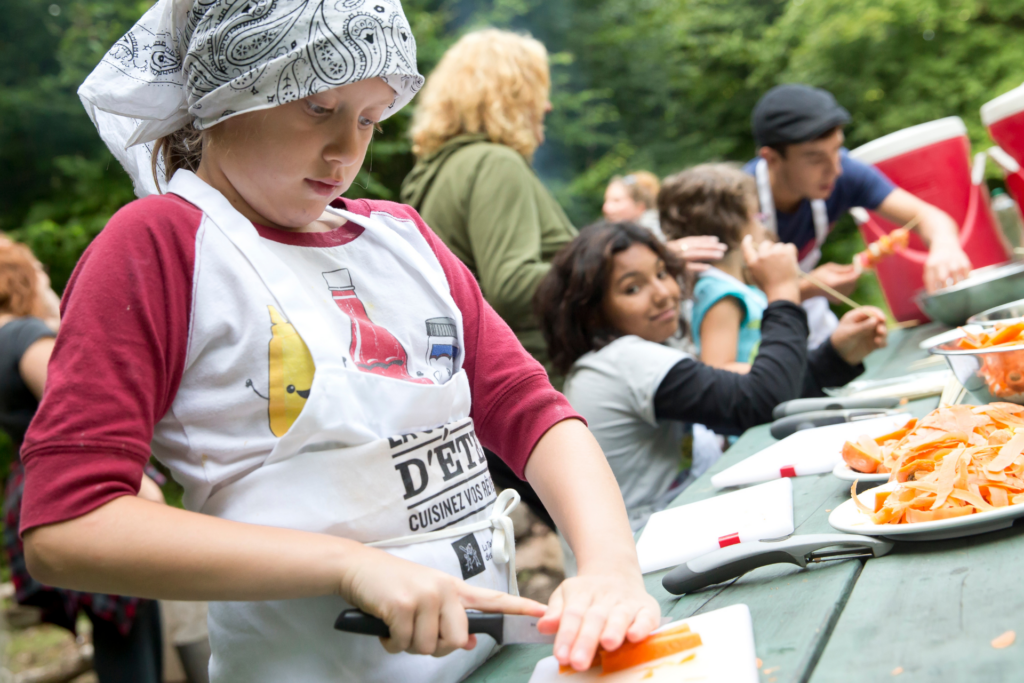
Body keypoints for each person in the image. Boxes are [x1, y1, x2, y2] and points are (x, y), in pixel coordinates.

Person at [21, 3, 660, 681]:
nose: (346, 151)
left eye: (369, 118)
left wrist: (612, 568)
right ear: (228, 97)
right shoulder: (158, 244)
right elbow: (71, 524)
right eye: (318, 108)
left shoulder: (401, 237)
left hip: (496, 657)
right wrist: (349, 564)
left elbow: (529, 406)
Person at [536, 222, 884, 530]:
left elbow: (746, 396)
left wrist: (835, 355)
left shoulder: (627, 356)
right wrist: (782, 293)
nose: (663, 293)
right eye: (632, 288)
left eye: (661, 273)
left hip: (673, 525)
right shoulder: (624, 360)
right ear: (593, 312)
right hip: (645, 550)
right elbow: (761, 402)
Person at [0, 238, 166, 683]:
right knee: (131, 632)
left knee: (114, 629)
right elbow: (77, 412)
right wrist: (139, 487)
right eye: (42, 273)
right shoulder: (24, 335)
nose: (50, 284)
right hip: (90, 485)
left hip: (36, 487)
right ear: (20, 280)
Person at [401, 29, 573, 377]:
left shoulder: (440, 171)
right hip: (537, 378)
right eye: (538, 93)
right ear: (510, 98)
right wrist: (610, 273)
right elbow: (510, 286)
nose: (547, 106)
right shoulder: (495, 163)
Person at [746, 84, 972, 346]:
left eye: (836, 149)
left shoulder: (844, 172)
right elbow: (733, 299)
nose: (835, 169)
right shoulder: (737, 202)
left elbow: (931, 217)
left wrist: (944, 246)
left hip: (814, 329)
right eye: (815, 158)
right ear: (771, 158)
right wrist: (808, 288)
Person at [660, 164, 887, 376]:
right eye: (757, 216)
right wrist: (777, 376)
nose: (763, 225)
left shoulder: (738, 284)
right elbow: (718, 369)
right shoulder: (719, 292)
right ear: (732, 224)